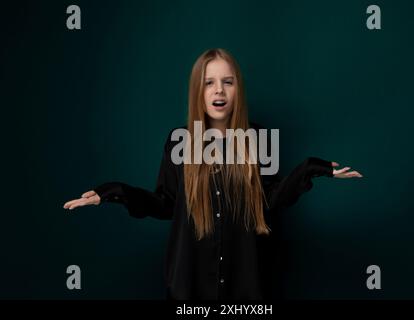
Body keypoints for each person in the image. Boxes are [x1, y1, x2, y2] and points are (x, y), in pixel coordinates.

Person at [63, 48, 363, 300]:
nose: (219, 89)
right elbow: (165, 202)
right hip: (188, 290)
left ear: (237, 89)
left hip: (245, 290)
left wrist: (311, 168)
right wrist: (113, 192)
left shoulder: (257, 139)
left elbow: (269, 199)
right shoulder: (179, 140)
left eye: (227, 82)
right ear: (199, 91)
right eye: (209, 82)